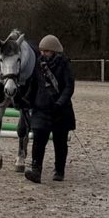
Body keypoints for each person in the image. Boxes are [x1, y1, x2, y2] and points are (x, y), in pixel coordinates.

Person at [23, 34, 76, 182]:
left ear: (54, 51)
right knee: (38, 140)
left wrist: (60, 103)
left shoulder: (64, 65)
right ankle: (36, 170)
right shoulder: (38, 65)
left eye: (46, 51)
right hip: (41, 108)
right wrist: (26, 101)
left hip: (60, 110)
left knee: (60, 142)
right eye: (42, 51)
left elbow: (69, 87)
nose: (43, 54)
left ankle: (59, 170)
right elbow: (33, 85)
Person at [0, 28, 36, 172]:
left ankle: (21, 153)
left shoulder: (27, 57)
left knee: (23, 119)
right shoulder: (1, 61)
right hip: (6, 77)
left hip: (23, 79)